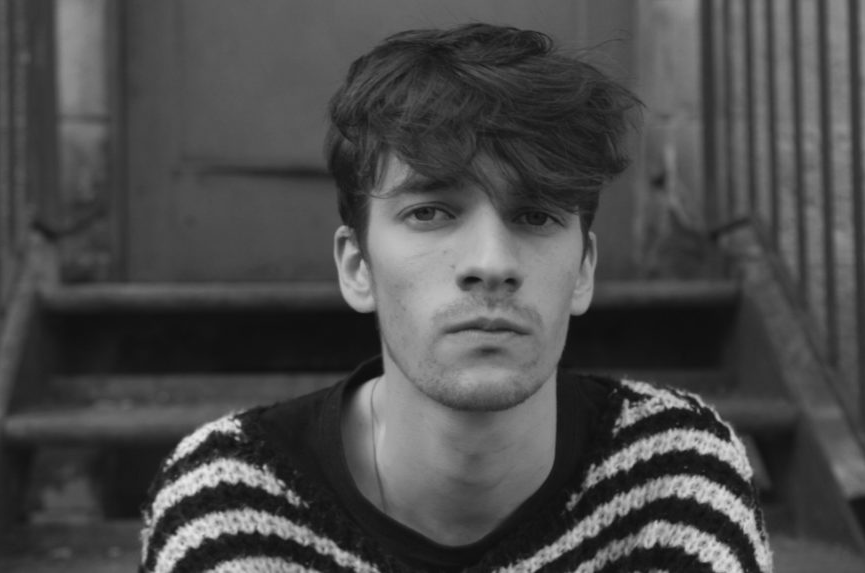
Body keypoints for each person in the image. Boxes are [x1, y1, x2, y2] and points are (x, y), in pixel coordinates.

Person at [139, 23, 772, 573]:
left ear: (583, 270)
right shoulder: (233, 509)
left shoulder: (673, 484)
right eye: (431, 212)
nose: (490, 264)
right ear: (357, 266)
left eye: (536, 216)